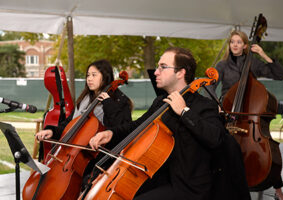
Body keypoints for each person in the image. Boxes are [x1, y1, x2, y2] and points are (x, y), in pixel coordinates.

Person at [88, 47, 227, 200]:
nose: (156, 72)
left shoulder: (204, 105)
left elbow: (216, 138)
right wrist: (111, 133)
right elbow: (136, 126)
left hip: (187, 187)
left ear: (180, 73)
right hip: (157, 178)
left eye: (163, 67)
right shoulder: (160, 102)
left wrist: (184, 111)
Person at [35, 59, 132, 191]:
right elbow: (70, 124)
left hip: (100, 157)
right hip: (76, 153)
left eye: (94, 75)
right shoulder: (85, 98)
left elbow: (121, 129)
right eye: (88, 75)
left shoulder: (120, 100)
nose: (89, 79)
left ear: (105, 76)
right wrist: (52, 131)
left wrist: (108, 103)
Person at [212, 30, 283, 200]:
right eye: (232, 42)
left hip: (251, 115)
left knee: (266, 149)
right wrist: (217, 104)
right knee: (220, 147)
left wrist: (262, 54)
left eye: (239, 42)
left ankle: (278, 190)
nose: (235, 45)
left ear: (246, 45)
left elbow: (280, 75)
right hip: (229, 112)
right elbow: (211, 87)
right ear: (230, 45)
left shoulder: (252, 63)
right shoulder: (222, 66)